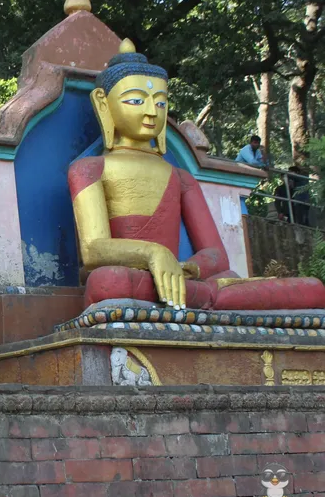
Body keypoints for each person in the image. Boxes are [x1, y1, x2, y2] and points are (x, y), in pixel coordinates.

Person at [68, 38, 325, 310]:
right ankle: (207, 300)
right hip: (132, 278)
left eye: (160, 103)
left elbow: (216, 256)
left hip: (182, 281)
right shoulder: (89, 168)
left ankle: (204, 297)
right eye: (135, 100)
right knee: (108, 280)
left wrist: (188, 268)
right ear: (103, 104)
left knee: (313, 289)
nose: (150, 112)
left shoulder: (180, 176)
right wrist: (152, 254)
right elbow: (93, 249)